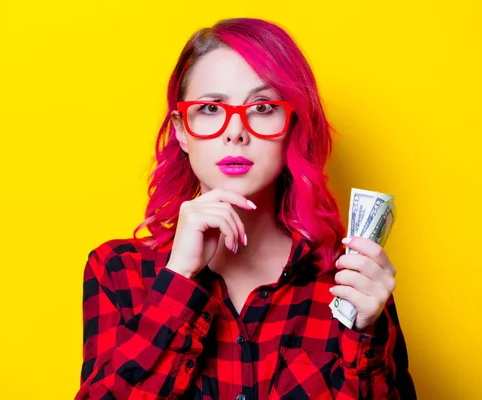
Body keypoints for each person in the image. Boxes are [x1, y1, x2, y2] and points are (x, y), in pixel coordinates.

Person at [75, 17, 416, 400]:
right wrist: (179, 278)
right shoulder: (120, 271)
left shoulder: (350, 278)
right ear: (182, 131)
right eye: (210, 109)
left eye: (263, 107)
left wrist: (365, 334)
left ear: (291, 125)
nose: (235, 131)